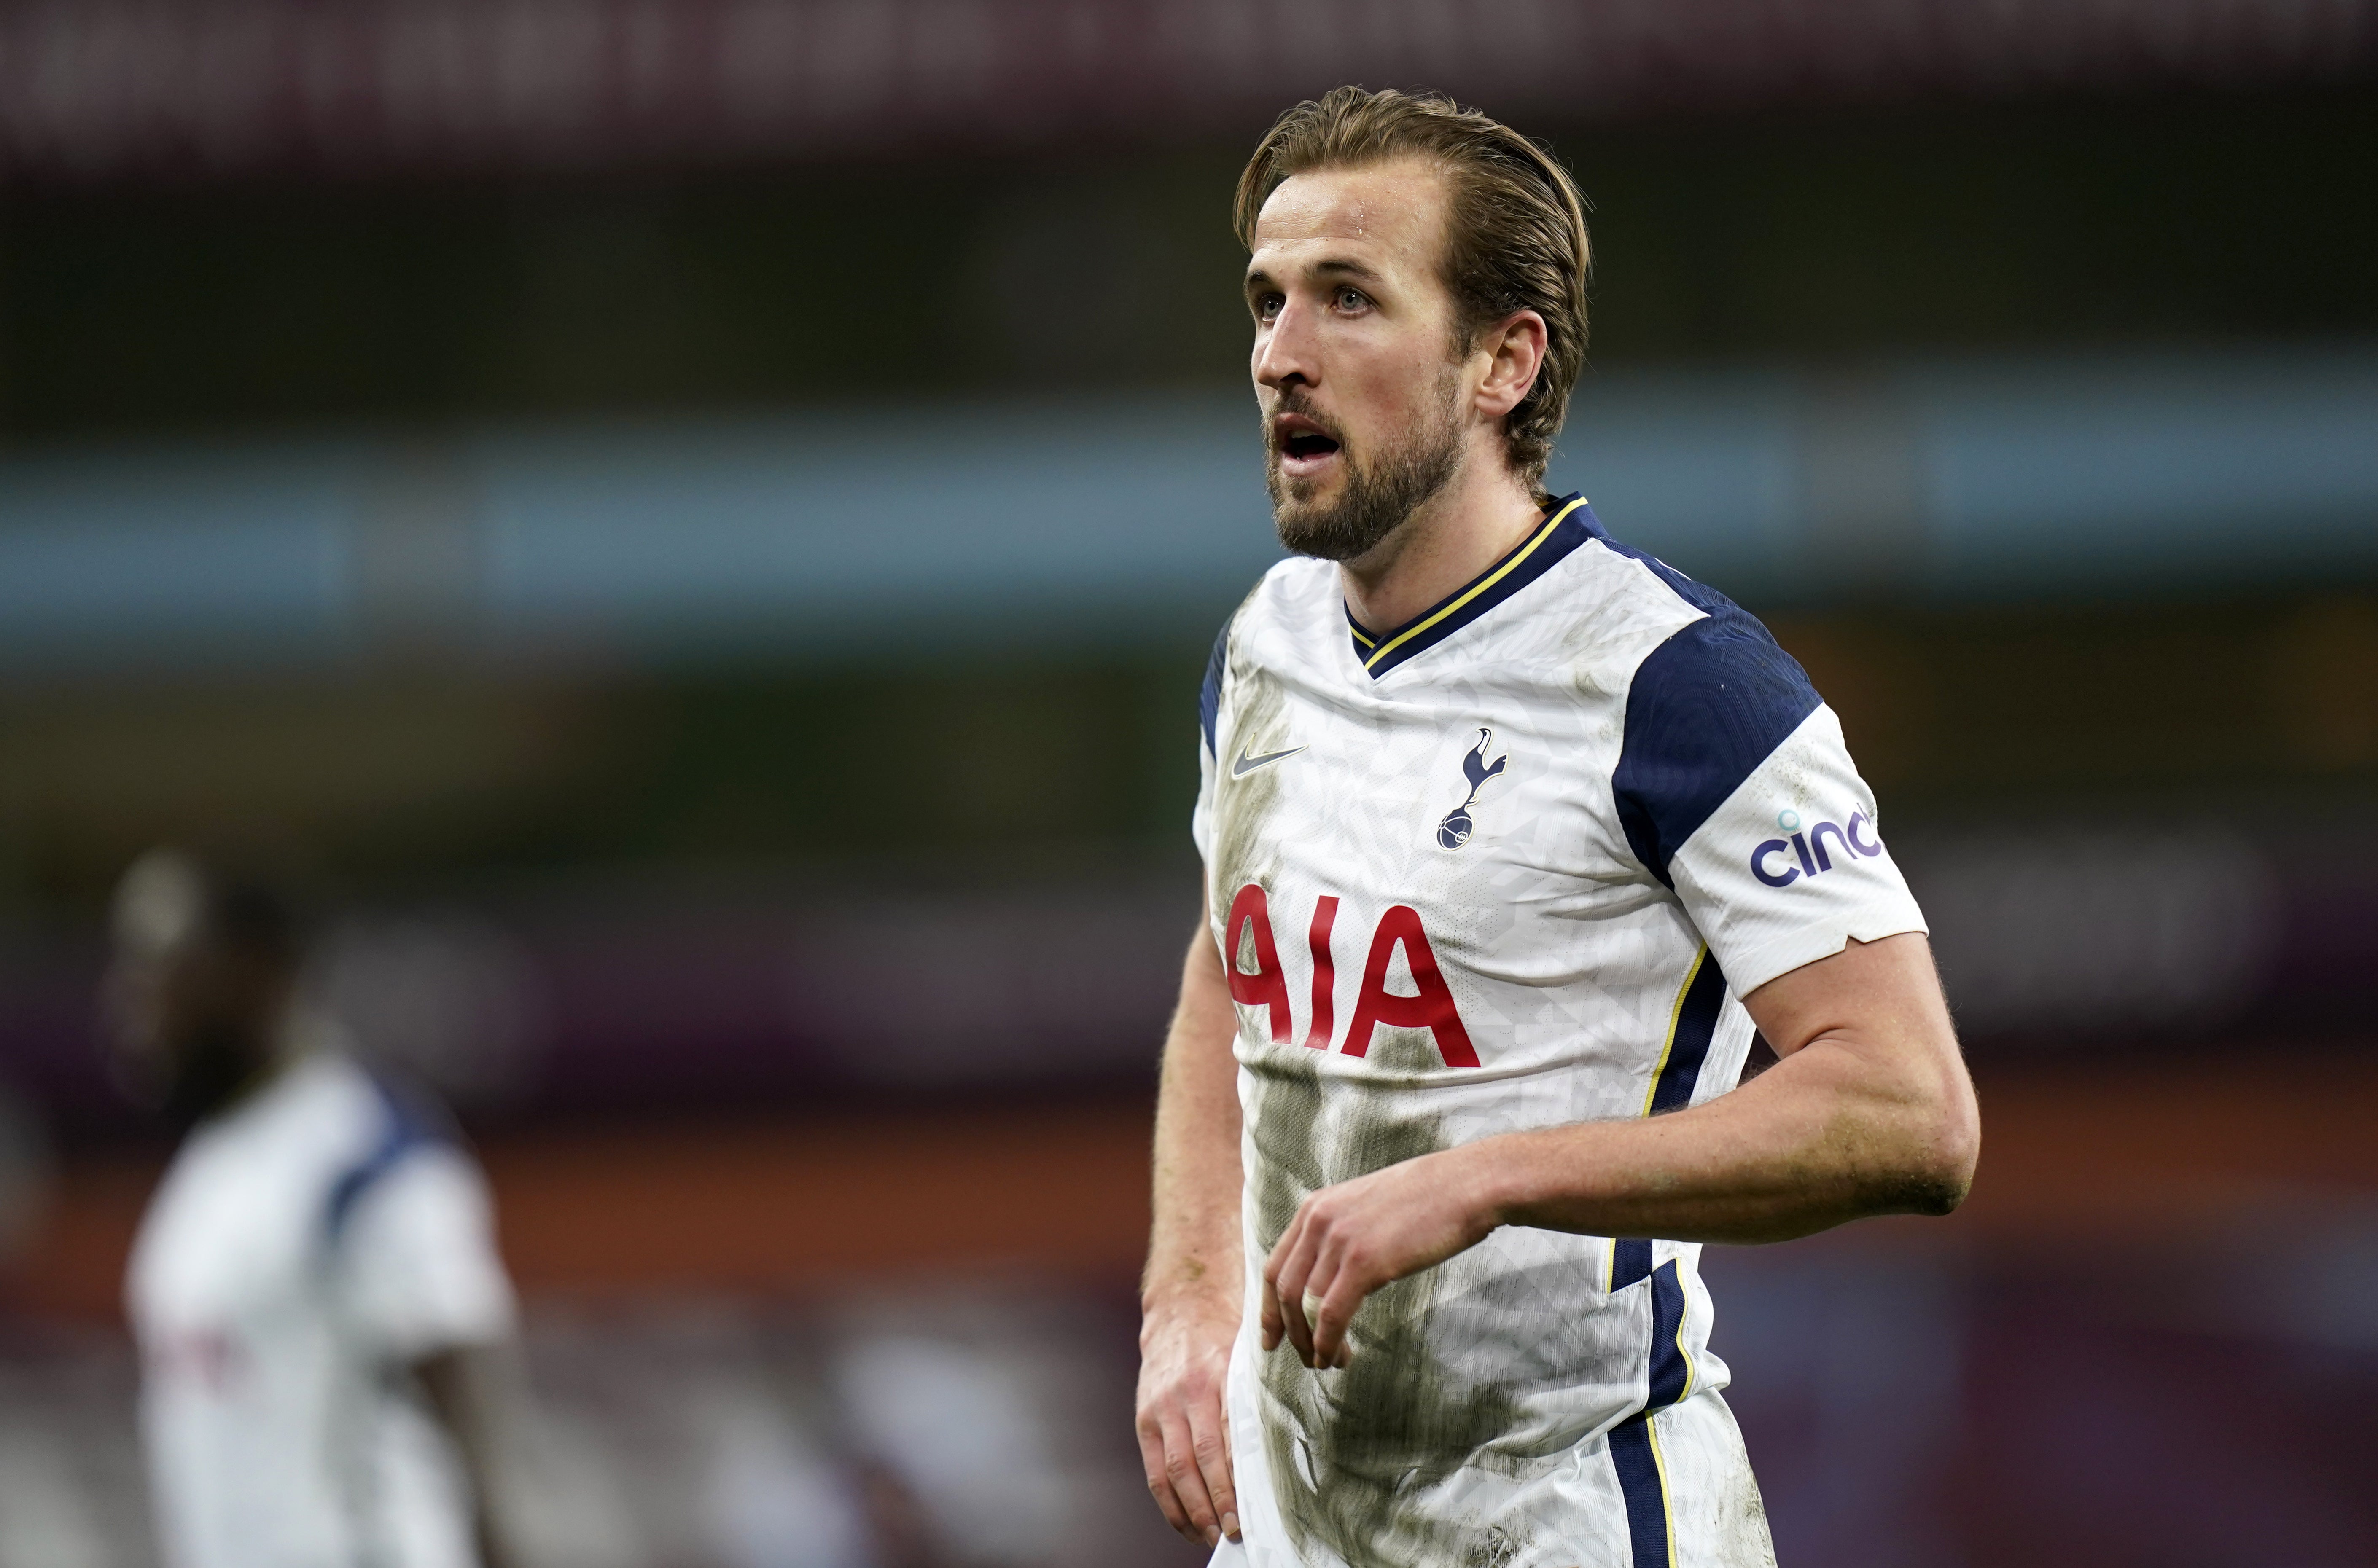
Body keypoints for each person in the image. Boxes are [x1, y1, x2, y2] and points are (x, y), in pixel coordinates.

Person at [1135, 88, 1980, 1568]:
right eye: (1269, 302)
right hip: (1292, 1528)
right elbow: (1228, 974)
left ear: (1503, 362)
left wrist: (1485, 1177)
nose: (1280, 355)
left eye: (1349, 299)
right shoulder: (1266, 641)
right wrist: (1186, 1302)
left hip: (1574, 1519)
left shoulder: (1680, 684)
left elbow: (1912, 1111)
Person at [105, 849, 526, 1568]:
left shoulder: (362, 1151)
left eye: (165, 968)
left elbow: (462, 1382)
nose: (137, 1003)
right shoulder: (208, 1167)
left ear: (256, 971)